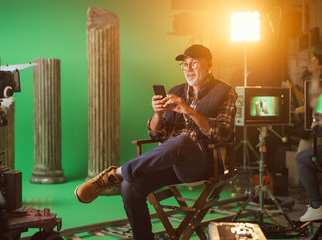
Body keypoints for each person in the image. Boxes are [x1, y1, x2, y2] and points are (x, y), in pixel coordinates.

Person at [74, 44, 237, 239]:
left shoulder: (225, 92)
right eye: (185, 65)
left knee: (183, 142)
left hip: (203, 162)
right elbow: (156, 135)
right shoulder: (176, 90)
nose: (188, 69)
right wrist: (158, 114)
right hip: (170, 162)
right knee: (130, 186)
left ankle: (115, 174)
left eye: (194, 64)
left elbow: (225, 134)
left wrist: (191, 111)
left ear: (209, 65)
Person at [295, 52, 322, 222]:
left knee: (306, 160)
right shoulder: (313, 83)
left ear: (321, 65)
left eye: (314, 60)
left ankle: (318, 204)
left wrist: (319, 125)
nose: (310, 62)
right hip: (315, 130)